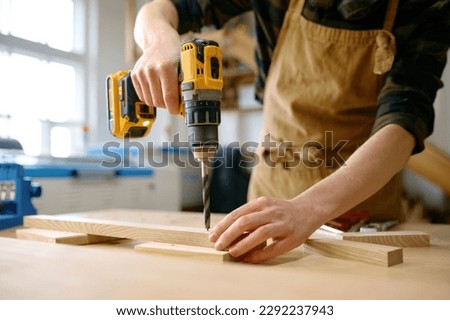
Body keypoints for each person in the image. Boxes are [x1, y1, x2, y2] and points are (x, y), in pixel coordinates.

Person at [131, 0, 450, 263]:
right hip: (272, 187)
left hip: (359, 205)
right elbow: (161, 8)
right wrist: (158, 37)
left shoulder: (426, 7)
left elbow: (403, 125)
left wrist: (309, 208)